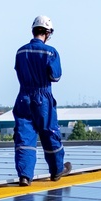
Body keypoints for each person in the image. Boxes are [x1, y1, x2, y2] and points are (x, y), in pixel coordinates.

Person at [13, 15, 72, 186]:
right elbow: (56, 76)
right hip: (43, 98)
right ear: (47, 33)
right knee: (49, 133)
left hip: (23, 97)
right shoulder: (51, 52)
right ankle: (57, 170)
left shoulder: (20, 51)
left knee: (24, 135)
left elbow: (18, 72)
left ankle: (25, 175)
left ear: (33, 30)